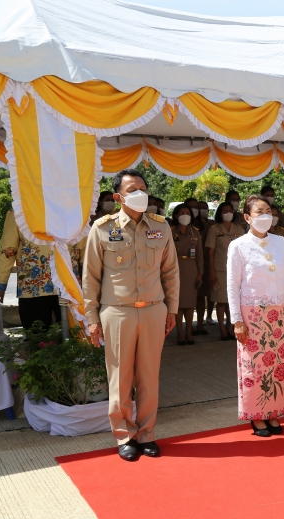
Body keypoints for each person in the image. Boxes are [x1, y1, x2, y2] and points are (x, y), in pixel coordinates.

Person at [83, 168, 179, 461]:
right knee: (120, 378)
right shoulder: (102, 228)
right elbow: (91, 278)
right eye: (131, 190)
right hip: (118, 313)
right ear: (117, 197)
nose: (139, 194)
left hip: (153, 311)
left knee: (149, 378)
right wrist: (92, 319)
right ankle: (125, 436)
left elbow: (171, 272)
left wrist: (172, 309)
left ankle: (147, 434)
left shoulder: (161, 227)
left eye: (142, 188)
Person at [227, 195, 284, 437]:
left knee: (277, 365)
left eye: (268, 210)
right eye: (259, 211)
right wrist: (236, 320)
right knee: (254, 367)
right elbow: (232, 286)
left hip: (277, 313)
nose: (265, 214)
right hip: (252, 315)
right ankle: (256, 415)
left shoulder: (280, 242)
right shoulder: (238, 246)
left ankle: (273, 411)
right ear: (247, 217)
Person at [0, 211, 85, 329]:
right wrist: (0, 285)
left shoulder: (74, 210)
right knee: (39, 339)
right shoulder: (19, 211)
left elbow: (86, 252)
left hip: (68, 289)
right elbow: (8, 251)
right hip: (36, 289)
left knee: (74, 339)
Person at [206, 201, 246, 339]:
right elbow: (210, 252)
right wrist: (211, 272)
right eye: (225, 211)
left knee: (233, 300)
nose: (228, 213)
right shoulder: (214, 230)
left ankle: (231, 326)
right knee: (221, 301)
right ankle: (222, 328)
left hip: (236, 269)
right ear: (220, 213)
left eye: (230, 210)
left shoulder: (239, 229)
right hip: (220, 270)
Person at [171, 204, 203, 345]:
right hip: (175, 269)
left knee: (189, 304)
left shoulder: (195, 233)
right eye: (182, 212)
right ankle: (179, 333)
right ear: (176, 215)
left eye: (187, 213)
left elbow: (200, 256)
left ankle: (189, 332)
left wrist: (200, 273)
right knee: (178, 304)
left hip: (191, 269)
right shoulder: (171, 231)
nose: (185, 215)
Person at [195, 200, 215, 333]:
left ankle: (203, 320)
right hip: (189, 264)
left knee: (204, 294)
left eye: (205, 208)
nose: (203, 210)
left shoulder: (210, 225)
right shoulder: (189, 226)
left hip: (206, 264)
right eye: (199, 208)